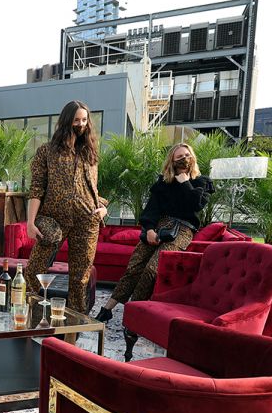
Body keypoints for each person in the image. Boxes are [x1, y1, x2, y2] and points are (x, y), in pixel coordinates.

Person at [94, 143, 214, 323]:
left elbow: (196, 204)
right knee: (133, 268)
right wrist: (149, 229)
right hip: (158, 225)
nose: (184, 159)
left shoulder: (201, 182)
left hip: (182, 229)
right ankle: (107, 308)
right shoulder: (163, 183)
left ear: (193, 157)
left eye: (187, 155)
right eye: (179, 156)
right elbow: (152, 208)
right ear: (172, 161)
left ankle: (135, 312)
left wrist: (185, 182)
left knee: (151, 270)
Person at [24, 100, 107, 317]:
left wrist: (103, 208)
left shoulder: (90, 152)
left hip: (87, 221)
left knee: (80, 277)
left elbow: (92, 188)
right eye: (76, 120)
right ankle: (26, 316)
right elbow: (36, 188)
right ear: (66, 121)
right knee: (34, 270)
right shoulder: (46, 152)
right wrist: (30, 222)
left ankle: (74, 326)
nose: (80, 124)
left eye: (84, 120)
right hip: (53, 219)